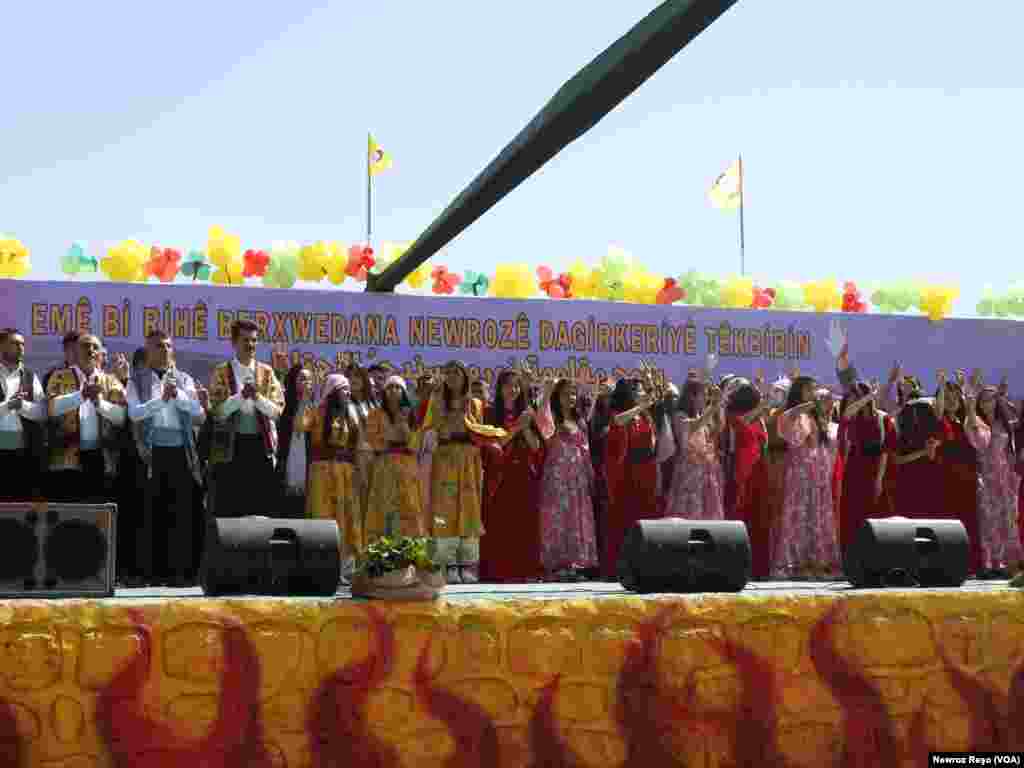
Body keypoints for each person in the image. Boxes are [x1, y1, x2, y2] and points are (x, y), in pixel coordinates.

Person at [126, 330, 205, 586]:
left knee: (180, 513)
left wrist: (177, 395)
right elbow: (135, 414)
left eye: (168, 346)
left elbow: (198, 411)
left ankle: (180, 573)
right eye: (159, 346)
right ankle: (150, 573)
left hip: (180, 451)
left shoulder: (184, 379)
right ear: (148, 350)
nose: (165, 350)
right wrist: (161, 400)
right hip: (150, 452)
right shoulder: (136, 380)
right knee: (150, 512)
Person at [423, 360, 507, 584]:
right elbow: (427, 429)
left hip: (469, 459)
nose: (452, 376)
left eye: (456, 373)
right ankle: (447, 563)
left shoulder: (475, 403)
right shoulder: (436, 401)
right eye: (448, 373)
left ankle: (468, 564)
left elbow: (478, 430)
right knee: (445, 509)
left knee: (469, 509)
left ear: (464, 377)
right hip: (445, 457)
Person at [207, 319, 284, 517]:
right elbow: (217, 412)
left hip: (260, 447)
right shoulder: (221, 371)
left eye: (254, 340)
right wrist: (241, 396)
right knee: (231, 509)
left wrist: (256, 397)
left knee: (260, 509)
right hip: (230, 448)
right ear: (234, 342)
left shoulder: (267, 372)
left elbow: (276, 411)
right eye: (245, 340)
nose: (250, 345)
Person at [479, 368, 545, 582]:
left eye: (517, 386)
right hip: (499, 476)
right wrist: (517, 427)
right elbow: (494, 444)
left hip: (523, 474)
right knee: (500, 524)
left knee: (523, 524)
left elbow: (536, 446)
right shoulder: (490, 413)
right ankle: (498, 571)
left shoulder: (526, 413)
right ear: (499, 388)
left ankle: (525, 570)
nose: (513, 390)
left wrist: (525, 427)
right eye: (508, 385)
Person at [296, 373, 363, 579]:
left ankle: (346, 569)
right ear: (333, 392)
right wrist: (304, 401)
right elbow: (299, 426)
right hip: (322, 473)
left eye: (349, 389)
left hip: (345, 473)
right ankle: (322, 568)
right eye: (344, 389)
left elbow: (358, 444)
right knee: (323, 516)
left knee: (347, 518)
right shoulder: (317, 411)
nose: (348, 393)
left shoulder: (350, 413)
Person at [772, 377, 840, 579]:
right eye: (809, 389)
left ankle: (817, 563)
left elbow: (823, 445)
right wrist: (805, 407)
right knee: (799, 516)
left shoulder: (814, 415)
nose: (813, 393)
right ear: (799, 391)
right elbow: (786, 428)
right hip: (799, 472)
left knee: (816, 515)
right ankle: (795, 564)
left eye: (814, 389)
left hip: (817, 472)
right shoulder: (793, 413)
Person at [46, 333, 127, 502]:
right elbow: (51, 409)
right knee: (69, 511)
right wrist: (81, 396)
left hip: (102, 459)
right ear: (75, 352)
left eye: (95, 347)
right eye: (85, 346)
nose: (90, 350)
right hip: (66, 458)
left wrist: (99, 403)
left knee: (98, 512)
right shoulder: (59, 376)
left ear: (101, 354)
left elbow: (121, 417)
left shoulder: (111, 381)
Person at [537, 378, 599, 581]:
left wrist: (590, 475)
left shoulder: (579, 421)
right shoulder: (552, 417)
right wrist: (547, 392)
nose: (570, 397)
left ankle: (574, 564)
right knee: (557, 519)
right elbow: (543, 425)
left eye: (573, 393)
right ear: (557, 396)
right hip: (557, 476)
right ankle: (556, 566)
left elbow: (586, 450)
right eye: (565, 393)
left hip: (577, 478)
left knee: (576, 519)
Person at [602, 378, 659, 580]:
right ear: (630, 394)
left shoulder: (644, 416)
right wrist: (641, 407)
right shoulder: (620, 414)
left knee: (644, 521)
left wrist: (646, 406)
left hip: (645, 474)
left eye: (643, 391)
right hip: (626, 475)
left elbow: (653, 443)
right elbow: (617, 422)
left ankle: (643, 567)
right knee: (623, 522)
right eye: (638, 391)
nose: (642, 394)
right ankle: (616, 569)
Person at [964, 384, 1023, 577]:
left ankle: (1012, 563)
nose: (987, 403)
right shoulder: (976, 421)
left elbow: (1012, 450)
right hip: (987, 478)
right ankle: (993, 564)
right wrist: (970, 409)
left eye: (990, 399)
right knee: (989, 521)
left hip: (1007, 477)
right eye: (983, 400)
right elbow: (980, 442)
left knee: (1009, 519)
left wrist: (1015, 475)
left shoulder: (1004, 422)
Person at [837, 382, 896, 556]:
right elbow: (846, 413)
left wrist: (879, 479)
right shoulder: (853, 417)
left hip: (874, 469)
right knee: (853, 513)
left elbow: (885, 451)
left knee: (875, 513)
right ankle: (853, 555)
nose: (853, 399)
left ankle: (877, 554)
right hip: (854, 469)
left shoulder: (882, 419)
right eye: (852, 396)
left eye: (856, 395)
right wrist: (868, 397)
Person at [364, 375, 426, 542]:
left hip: (408, 467)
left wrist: (402, 424)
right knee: (384, 507)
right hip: (384, 466)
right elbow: (374, 442)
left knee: (409, 506)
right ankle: (382, 549)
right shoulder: (375, 414)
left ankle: (409, 548)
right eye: (390, 387)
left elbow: (415, 445)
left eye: (398, 387)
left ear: (404, 392)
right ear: (384, 392)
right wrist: (394, 434)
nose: (393, 390)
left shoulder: (411, 415)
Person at [665, 378, 724, 520]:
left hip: (703, 471)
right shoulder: (680, 415)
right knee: (687, 513)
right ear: (692, 396)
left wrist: (718, 406)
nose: (705, 398)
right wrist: (714, 406)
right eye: (703, 395)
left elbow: (718, 428)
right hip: (688, 471)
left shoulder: (701, 416)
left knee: (706, 513)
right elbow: (694, 425)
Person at [0, 329, 47, 502]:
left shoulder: (30, 376)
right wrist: (8, 405)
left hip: (24, 455)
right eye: (15, 343)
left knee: (21, 504)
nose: (21, 348)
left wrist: (22, 406)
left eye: (22, 344)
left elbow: (42, 413)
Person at [275, 365, 315, 519]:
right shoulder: (285, 403)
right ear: (293, 381)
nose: (307, 383)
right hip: (287, 456)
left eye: (310, 379)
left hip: (307, 459)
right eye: (302, 379)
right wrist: (303, 401)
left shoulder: (315, 405)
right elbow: (293, 427)